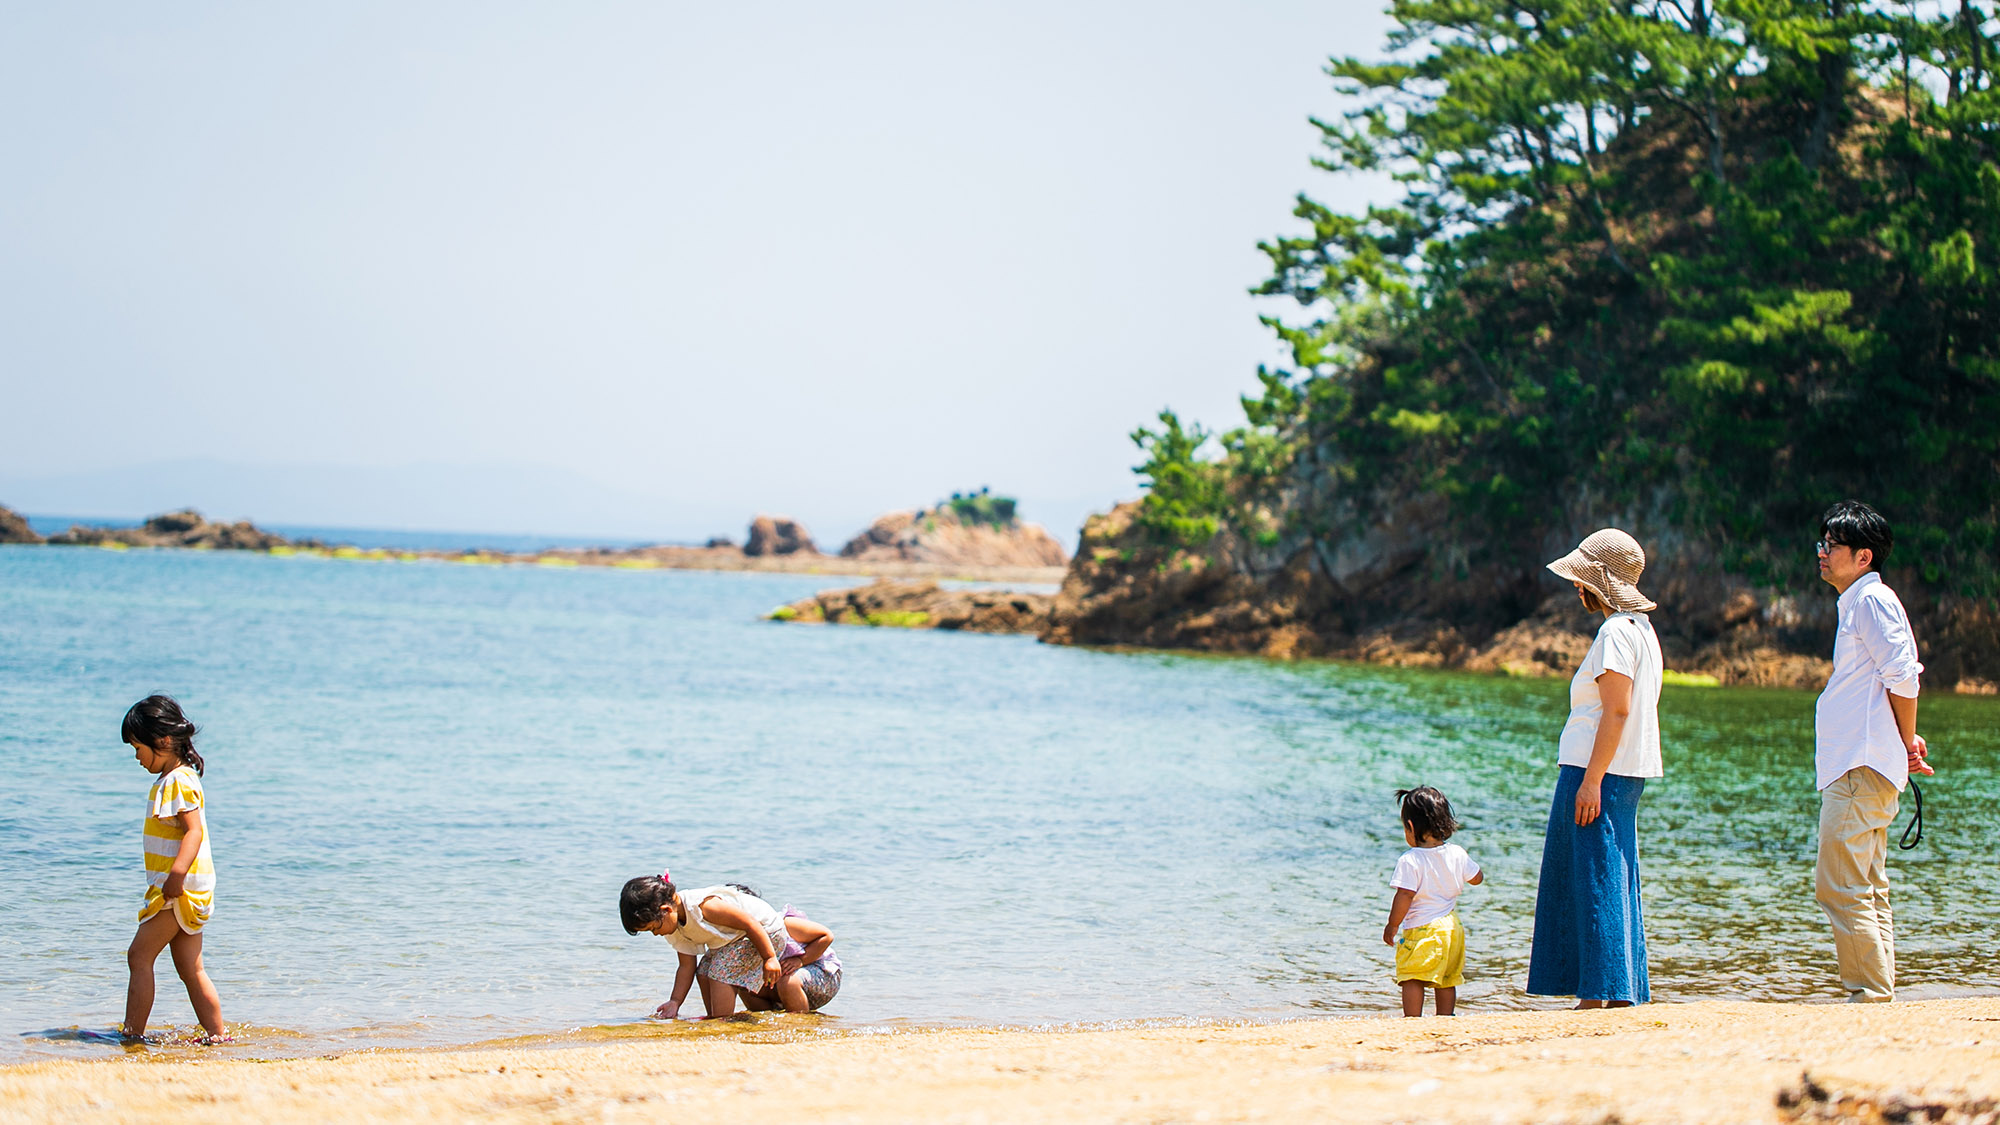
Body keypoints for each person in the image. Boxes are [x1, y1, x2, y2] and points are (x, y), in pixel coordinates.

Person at [1526, 528, 1664, 1008]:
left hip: (1596, 769)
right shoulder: (1642, 631)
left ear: (1598, 582)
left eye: (1582, 578)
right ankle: (1620, 990)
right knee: (1613, 873)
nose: (1576, 586)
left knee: (1592, 877)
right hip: (1622, 770)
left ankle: (1598, 994)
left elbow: (1617, 710)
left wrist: (1590, 781)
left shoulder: (1614, 633)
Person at [1812, 500, 1930, 1003]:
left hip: (1860, 767)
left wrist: (1906, 739)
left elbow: (1903, 674)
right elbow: (1891, 680)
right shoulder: (1861, 602)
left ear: (1864, 557)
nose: (1822, 552)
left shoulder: (1871, 601)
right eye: (1822, 543)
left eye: (1832, 545)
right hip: (1862, 764)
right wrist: (1905, 738)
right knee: (1864, 883)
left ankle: (1870, 993)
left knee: (1839, 884)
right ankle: (1877, 992)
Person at [120, 695, 226, 1042]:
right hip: (185, 889)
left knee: (139, 956)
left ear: (163, 741)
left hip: (177, 889)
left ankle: (132, 1035)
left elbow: (193, 831)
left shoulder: (177, 780)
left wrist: (176, 876)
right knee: (191, 968)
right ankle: (217, 1036)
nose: (136, 757)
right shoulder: (178, 778)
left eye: (138, 748)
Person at [619, 872, 841, 1016]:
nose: (656, 934)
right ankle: (715, 1017)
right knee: (704, 970)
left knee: (721, 970)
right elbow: (686, 966)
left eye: (653, 929)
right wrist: (675, 1001)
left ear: (666, 910)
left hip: (766, 932)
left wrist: (770, 958)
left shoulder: (704, 906)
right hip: (735, 941)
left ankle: (721, 1021)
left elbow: (750, 923)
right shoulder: (673, 925)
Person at [1381, 786, 1483, 1016]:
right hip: (1452, 928)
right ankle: (1446, 1017)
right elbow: (1477, 878)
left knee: (1412, 976)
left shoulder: (1410, 860)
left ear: (1410, 827)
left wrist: (1392, 925)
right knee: (1446, 978)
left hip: (1423, 928)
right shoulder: (1457, 853)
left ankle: (1412, 1019)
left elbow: (1404, 895)